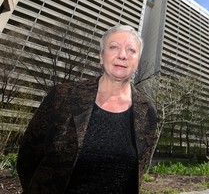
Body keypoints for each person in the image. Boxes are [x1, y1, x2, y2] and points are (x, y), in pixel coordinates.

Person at [16, 24, 158, 194]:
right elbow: (27, 157)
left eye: (131, 50)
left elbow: (139, 170)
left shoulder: (147, 111)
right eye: (114, 47)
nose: (122, 55)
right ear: (101, 56)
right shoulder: (62, 96)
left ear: (137, 62)